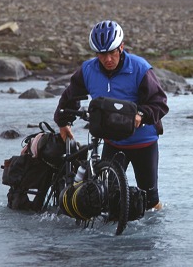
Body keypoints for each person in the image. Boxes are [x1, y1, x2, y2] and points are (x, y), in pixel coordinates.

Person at [53, 20, 169, 210]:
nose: (107, 59)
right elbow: (70, 96)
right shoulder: (88, 71)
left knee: (150, 200)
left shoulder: (140, 69)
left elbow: (160, 103)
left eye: (112, 52)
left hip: (144, 143)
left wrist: (141, 115)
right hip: (112, 143)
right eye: (102, 54)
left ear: (121, 47)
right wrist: (63, 122)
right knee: (107, 199)